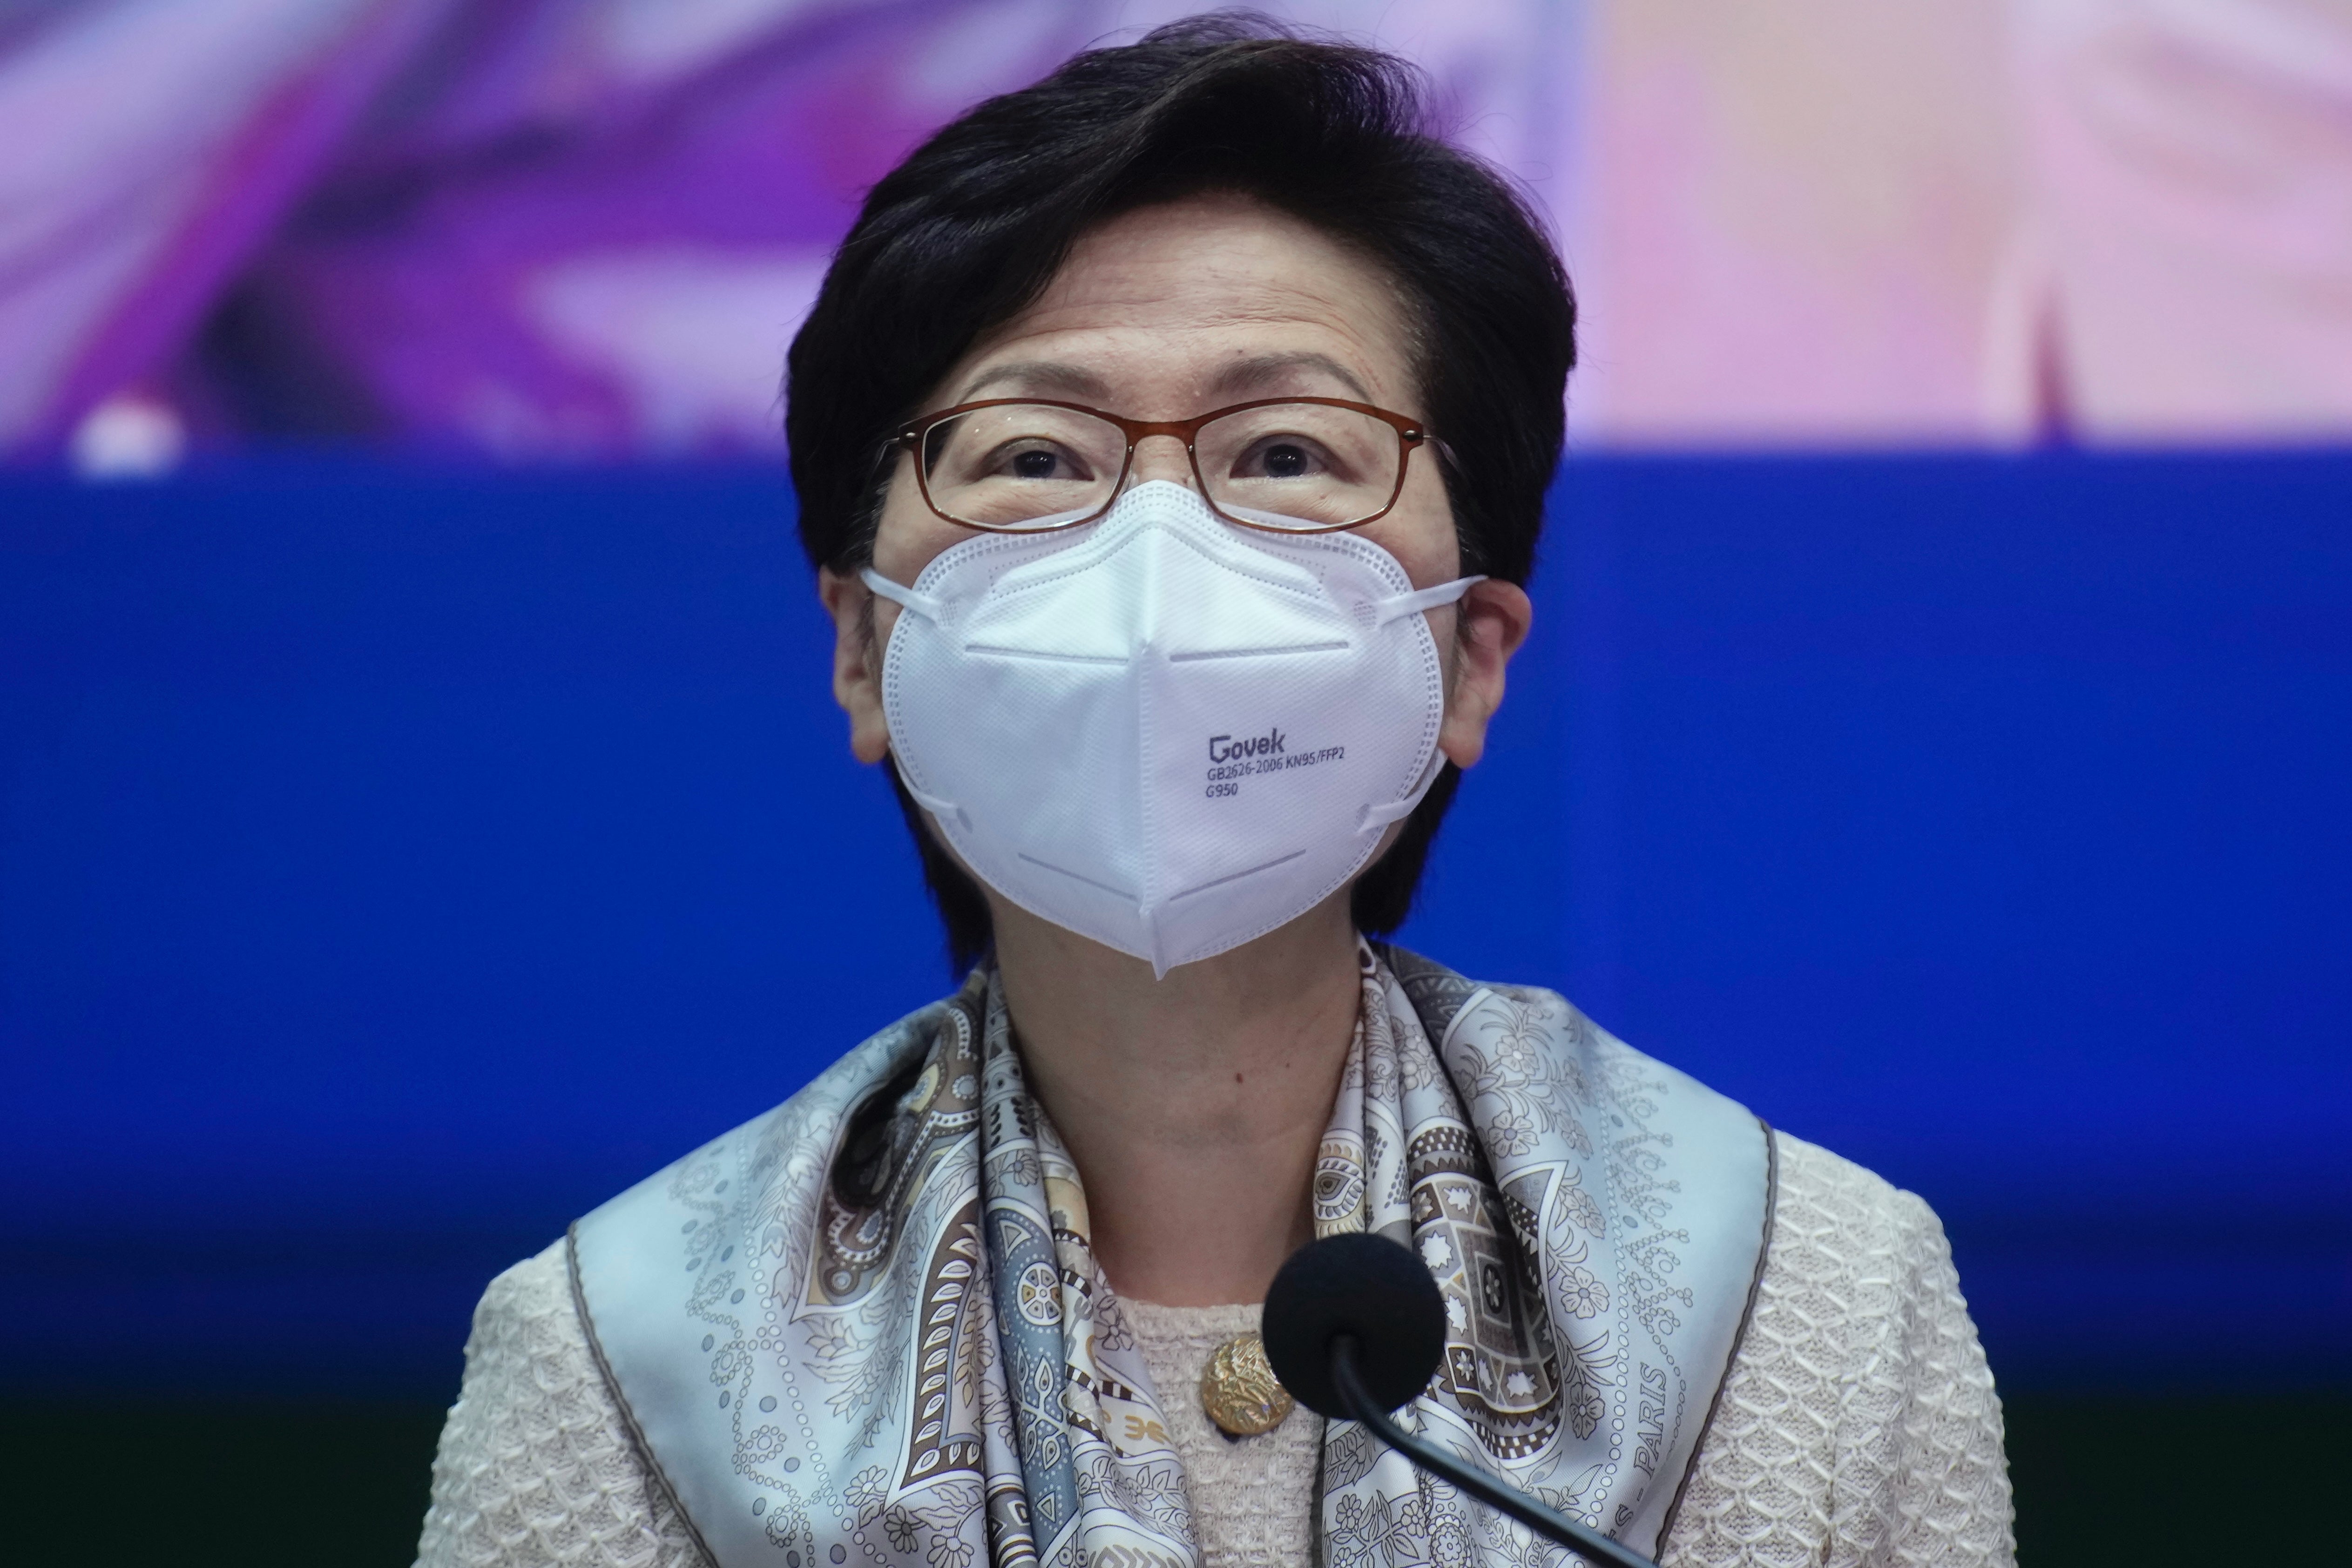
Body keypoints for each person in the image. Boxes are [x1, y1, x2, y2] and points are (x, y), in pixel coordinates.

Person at [413, 20, 2013, 1568]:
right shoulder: (622, 1364)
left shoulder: (1806, 1292)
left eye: (1284, 455)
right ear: (860, 653)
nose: (1156, 564)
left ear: (1467, 660)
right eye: (1035, 457)